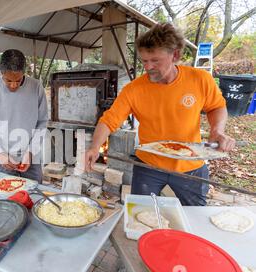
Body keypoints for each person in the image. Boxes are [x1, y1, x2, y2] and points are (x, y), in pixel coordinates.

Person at [84, 23, 235, 206]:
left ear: (175, 55)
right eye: (144, 61)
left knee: (194, 217)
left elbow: (216, 107)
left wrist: (217, 130)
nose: (148, 67)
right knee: (140, 214)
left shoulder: (199, 79)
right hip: (148, 165)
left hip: (189, 166)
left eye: (155, 60)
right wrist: (94, 147)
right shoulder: (134, 90)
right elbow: (109, 120)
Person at [0, 49, 48, 183]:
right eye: (8, 80)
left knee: (34, 195)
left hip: (32, 158)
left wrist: (31, 152)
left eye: (18, 80)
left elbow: (42, 122)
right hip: (4, 158)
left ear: (24, 72)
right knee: (6, 196)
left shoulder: (36, 88)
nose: (14, 85)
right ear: (1, 72)